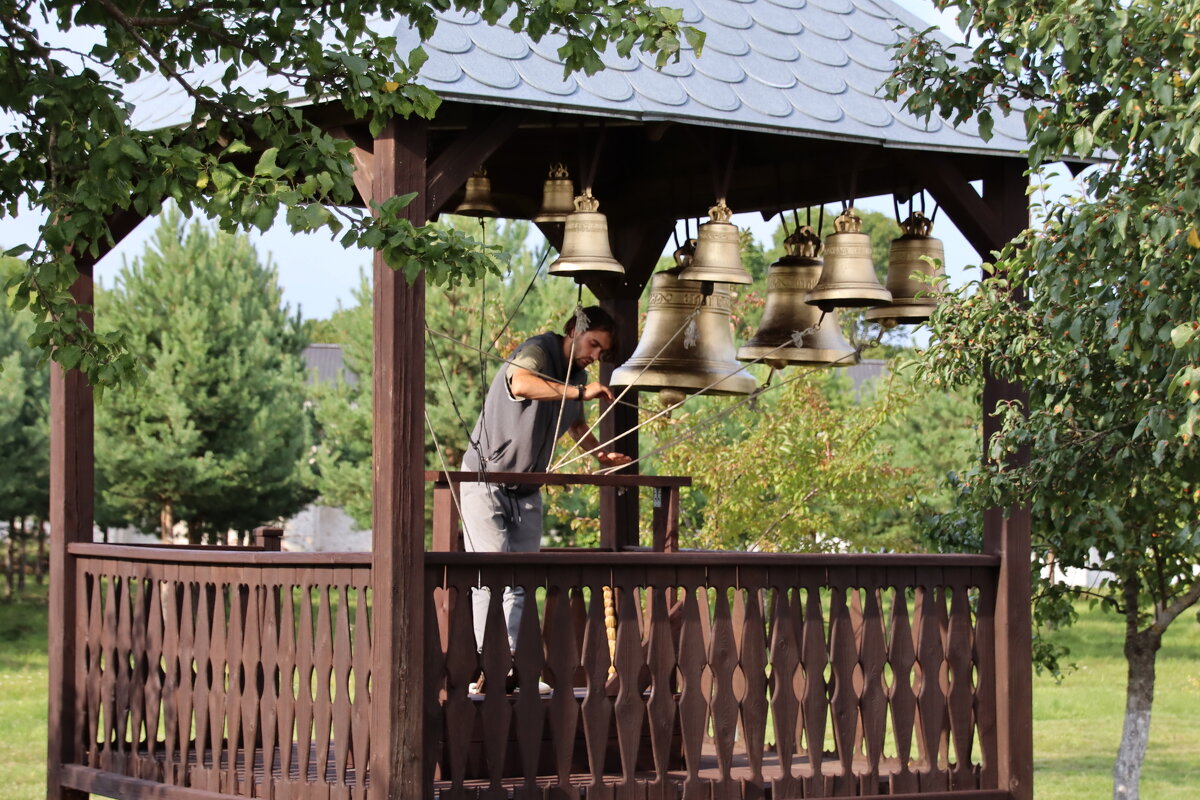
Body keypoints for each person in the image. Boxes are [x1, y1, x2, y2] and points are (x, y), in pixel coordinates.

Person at [460, 306, 632, 664]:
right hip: (484, 480)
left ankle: (504, 663)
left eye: (602, 352)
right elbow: (521, 382)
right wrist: (577, 393)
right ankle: (482, 662)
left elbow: (575, 425)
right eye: (593, 344)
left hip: (525, 487)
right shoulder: (537, 350)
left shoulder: (577, 379)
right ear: (573, 330)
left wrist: (600, 457)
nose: (595, 356)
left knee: (519, 582)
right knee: (488, 578)